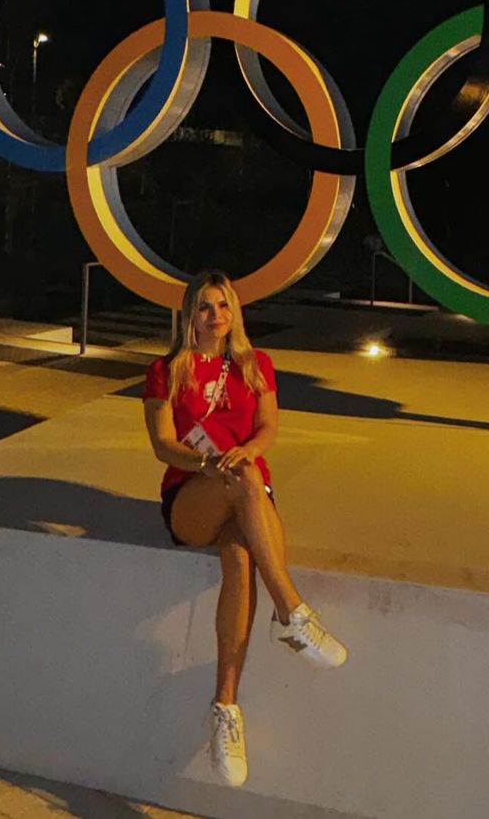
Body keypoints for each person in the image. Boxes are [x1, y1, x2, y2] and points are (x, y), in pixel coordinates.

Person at [143, 269, 347, 787]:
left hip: (248, 491)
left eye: (224, 306)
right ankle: (292, 612)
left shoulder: (256, 365)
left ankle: (225, 709)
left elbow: (268, 428)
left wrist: (246, 452)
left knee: (239, 558)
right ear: (190, 314)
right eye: (206, 307)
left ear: (235, 312)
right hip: (194, 494)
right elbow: (164, 445)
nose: (216, 316)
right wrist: (207, 465)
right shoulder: (166, 371)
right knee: (244, 480)